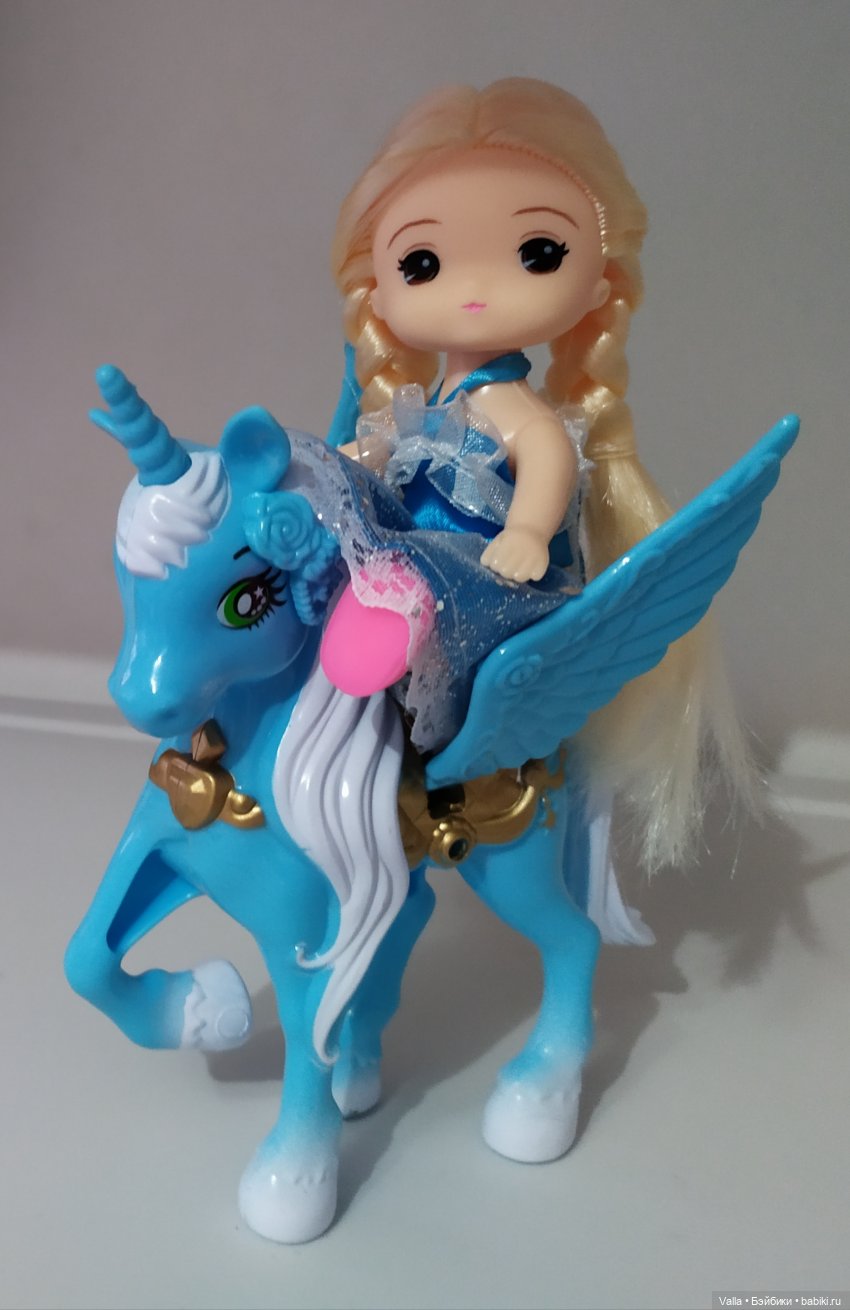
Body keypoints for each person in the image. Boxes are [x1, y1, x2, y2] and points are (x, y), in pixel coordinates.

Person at [318, 78, 754, 869]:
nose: (475, 290)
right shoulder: (424, 404)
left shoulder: (515, 407)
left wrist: (526, 528)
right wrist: (341, 469)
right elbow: (382, 452)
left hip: (494, 581)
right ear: (377, 290)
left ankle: (387, 661)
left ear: (598, 283)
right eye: (424, 262)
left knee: (409, 573)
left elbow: (548, 457)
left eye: (537, 255)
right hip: (422, 566)